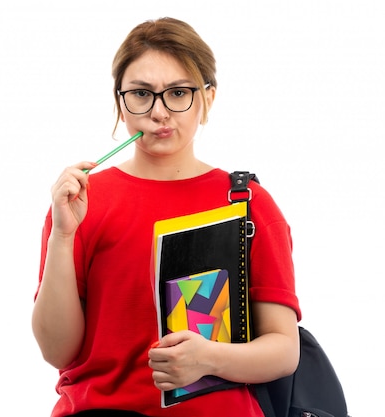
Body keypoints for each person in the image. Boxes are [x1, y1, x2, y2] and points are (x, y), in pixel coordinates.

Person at [32, 17, 301, 417]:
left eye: (178, 92)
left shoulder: (246, 202)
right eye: (141, 94)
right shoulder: (81, 201)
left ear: (208, 98)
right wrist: (62, 237)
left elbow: (283, 350)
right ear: (119, 102)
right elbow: (57, 351)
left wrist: (210, 359)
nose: (159, 112)